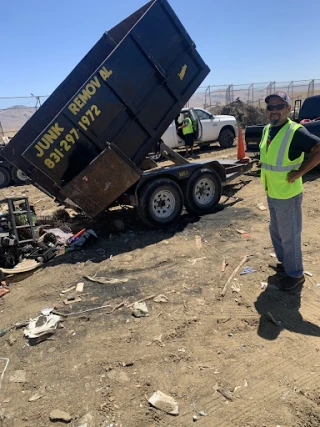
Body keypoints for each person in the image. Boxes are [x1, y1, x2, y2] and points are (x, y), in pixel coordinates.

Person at [260, 92, 320, 291]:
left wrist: (300, 172)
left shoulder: (295, 131)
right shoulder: (268, 130)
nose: (274, 111)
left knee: (290, 235)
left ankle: (295, 275)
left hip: (288, 194)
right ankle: (286, 265)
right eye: (270, 107)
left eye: (279, 106)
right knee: (276, 232)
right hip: (272, 191)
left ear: (288, 109)